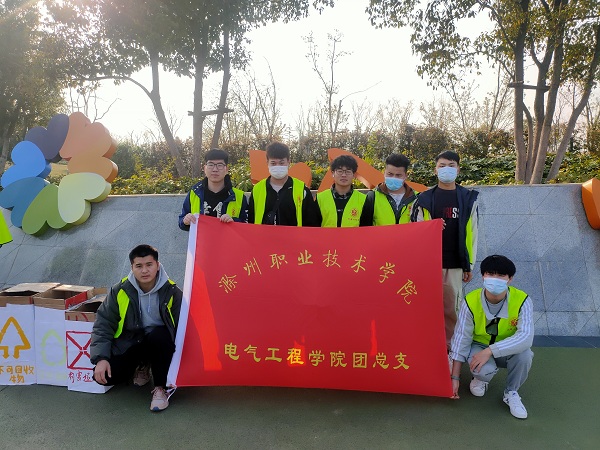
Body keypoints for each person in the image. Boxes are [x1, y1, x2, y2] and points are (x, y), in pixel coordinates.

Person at [90, 244, 183, 412]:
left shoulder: (172, 292)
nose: (144, 270)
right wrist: (100, 359)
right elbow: (103, 324)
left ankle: (161, 388)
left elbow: (183, 328)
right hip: (132, 343)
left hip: (161, 344)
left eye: (149, 264)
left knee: (160, 335)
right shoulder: (120, 291)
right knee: (106, 377)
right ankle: (143, 365)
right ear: (132, 267)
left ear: (157, 265)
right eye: (139, 266)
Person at [449, 255, 534, 419]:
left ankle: (511, 392)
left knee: (525, 355)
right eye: (490, 274)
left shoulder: (523, 300)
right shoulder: (470, 300)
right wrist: (455, 378)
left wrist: (490, 351)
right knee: (482, 371)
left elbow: (525, 337)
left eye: (501, 275)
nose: (495, 279)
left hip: (506, 348)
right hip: (478, 346)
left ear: (510, 279)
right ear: (483, 276)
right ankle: (481, 379)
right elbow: (461, 339)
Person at [410, 150, 479, 348]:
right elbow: (413, 231)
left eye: (451, 165)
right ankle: (426, 346)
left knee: (452, 309)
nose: (446, 169)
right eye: (442, 166)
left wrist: (469, 264)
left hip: (455, 263)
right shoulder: (423, 199)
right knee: (425, 307)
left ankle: (450, 350)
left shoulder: (468, 198)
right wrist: (430, 228)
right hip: (428, 265)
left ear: (458, 169)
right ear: (435, 170)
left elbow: (473, 232)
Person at [247, 141, 318, 226]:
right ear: (267, 163)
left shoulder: (302, 190)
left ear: (288, 162)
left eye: (281, 163)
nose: (277, 166)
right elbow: (251, 221)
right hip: (263, 235)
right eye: (273, 163)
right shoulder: (257, 190)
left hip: (294, 235)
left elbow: (311, 223)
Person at [179, 148, 248, 230]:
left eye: (220, 165)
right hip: (201, 238)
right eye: (211, 165)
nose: (215, 169)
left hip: (227, 238)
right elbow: (181, 221)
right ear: (204, 168)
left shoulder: (239, 196)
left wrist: (234, 221)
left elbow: (247, 225)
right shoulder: (194, 193)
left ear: (226, 169)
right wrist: (185, 221)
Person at [316, 155, 372, 227]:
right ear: (333, 173)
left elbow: (366, 229)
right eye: (340, 171)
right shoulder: (320, 198)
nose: (344, 175)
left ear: (354, 175)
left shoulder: (364, 200)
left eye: (348, 171)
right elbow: (313, 228)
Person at [366, 153, 419, 226]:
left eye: (398, 175)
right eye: (390, 174)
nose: (394, 178)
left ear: (406, 176)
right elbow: (365, 228)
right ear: (384, 173)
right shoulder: (372, 197)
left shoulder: (416, 198)